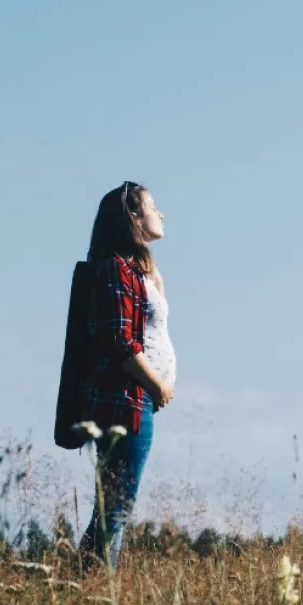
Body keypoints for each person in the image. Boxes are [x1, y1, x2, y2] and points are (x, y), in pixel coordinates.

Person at [71, 181, 177, 568]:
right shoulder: (115, 269)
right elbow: (120, 342)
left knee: (115, 508)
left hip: (138, 400)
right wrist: (158, 385)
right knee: (115, 509)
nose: (160, 213)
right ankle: (89, 583)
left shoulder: (134, 270)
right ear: (132, 215)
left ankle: (88, 584)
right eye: (153, 206)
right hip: (126, 401)